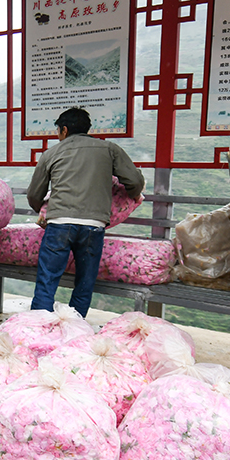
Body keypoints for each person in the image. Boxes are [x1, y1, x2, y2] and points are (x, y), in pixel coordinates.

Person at [26, 107, 143, 317]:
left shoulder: (51, 153)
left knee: (47, 279)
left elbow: (35, 194)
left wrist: (42, 210)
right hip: (94, 225)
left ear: (63, 130)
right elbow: (134, 181)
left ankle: (38, 328)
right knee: (85, 281)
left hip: (59, 224)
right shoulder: (109, 149)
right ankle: (75, 327)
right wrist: (131, 195)